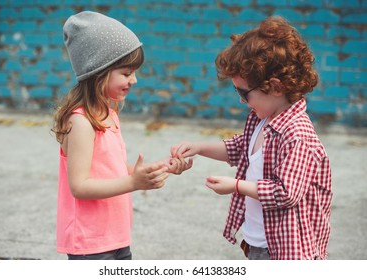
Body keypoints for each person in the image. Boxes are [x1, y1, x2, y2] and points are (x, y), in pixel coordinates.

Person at [171, 16, 332, 260]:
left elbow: (285, 193)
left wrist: (236, 186)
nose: (240, 100)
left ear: (276, 87)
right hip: (259, 239)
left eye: (244, 93)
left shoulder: (297, 135)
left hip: (286, 250)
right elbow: (239, 148)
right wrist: (198, 147)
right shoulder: (260, 118)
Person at [52, 11, 190, 260]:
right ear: (99, 72)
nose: (134, 80)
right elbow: (79, 186)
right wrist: (134, 183)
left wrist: (155, 169)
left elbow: (110, 169)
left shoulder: (107, 113)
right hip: (91, 243)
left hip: (115, 235)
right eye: (126, 73)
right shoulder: (81, 122)